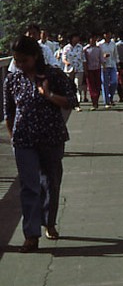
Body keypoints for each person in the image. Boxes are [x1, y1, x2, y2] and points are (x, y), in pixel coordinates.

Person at [3, 35, 78, 252]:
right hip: (23, 140)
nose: (20, 64)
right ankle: (31, 234)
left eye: (24, 60)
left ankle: (49, 221)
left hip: (51, 138)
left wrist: (49, 95)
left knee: (51, 182)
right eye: (16, 60)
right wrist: (12, 137)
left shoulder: (53, 75)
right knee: (29, 187)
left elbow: (72, 100)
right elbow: (8, 111)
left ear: (35, 56)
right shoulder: (13, 79)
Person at [60, 32, 85, 113]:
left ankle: (77, 103)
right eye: (75, 37)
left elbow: (83, 58)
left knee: (78, 85)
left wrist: (85, 69)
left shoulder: (80, 47)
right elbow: (63, 58)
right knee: (70, 86)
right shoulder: (66, 48)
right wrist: (66, 62)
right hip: (69, 69)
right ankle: (71, 102)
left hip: (79, 68)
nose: (77, 39)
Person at [99, 31, 119, 108]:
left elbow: (115, 54)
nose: (108, 35)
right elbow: (99, 55)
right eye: (106, 34)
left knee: (114, 82)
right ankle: (106, 101)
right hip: (104, 66)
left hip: (112, 65)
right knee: (105, 83)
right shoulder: (100, 44)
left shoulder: (113, 43)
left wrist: (117, 63)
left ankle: (110, 96)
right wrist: (103, 56)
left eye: (109, 34)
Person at [83, 34, 103, 111]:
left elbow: (101, 59)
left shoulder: (99, 49)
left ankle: (96, 101)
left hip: (97, 69)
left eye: (94, 38)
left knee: (98, 86)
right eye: (92, 39)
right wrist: (85, 71)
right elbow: (84, 61)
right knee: (91, 87)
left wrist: (103, 66)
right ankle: (93, 102)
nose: (93, 40)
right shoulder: (85, 49)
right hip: (89, 70)